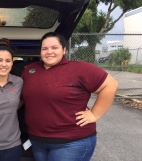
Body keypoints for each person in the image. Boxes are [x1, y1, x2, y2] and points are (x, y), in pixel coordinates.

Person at [21, 32, 118, 161]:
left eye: (54, 47)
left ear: (64, 49)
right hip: (37, 141)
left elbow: (110, 85)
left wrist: (94, 114)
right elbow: (22, 98)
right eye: (45, 48)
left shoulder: (80, 69)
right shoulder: (29, 70)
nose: (49, 52)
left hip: (71, 142)